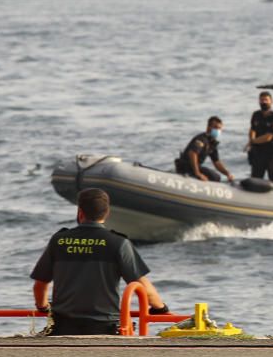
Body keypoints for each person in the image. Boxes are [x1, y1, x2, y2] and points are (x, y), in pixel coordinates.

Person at [30, 188, 168, 336]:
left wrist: (43, 307)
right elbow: (141, 285)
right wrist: (160, 309)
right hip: (105, 328)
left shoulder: (59, 240)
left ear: (80, 212)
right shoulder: (118, 242)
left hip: (63, 326)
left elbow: (40, 285)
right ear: (107, 213)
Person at [175, 116, 234, 182]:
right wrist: (197, 173)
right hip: (186, 166)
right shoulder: (202, 139)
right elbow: (193, 153)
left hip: (194, 167)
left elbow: (216, 162)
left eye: (220, 129)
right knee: (213, 177)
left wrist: (227, 173)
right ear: (209, 127)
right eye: (216, 128)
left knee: (216, 177)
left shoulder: (212, 143)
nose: (218, 131)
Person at [247, 91, 273, 186]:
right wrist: (251, 140)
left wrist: (253, 141)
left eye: (266, 100)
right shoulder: (256, 115)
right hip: (258, 153)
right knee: (255, 179)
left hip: (272, 153)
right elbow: (252, 129)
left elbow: (268, 137)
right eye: (262, 100)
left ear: (271, 101)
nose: (264, 102)